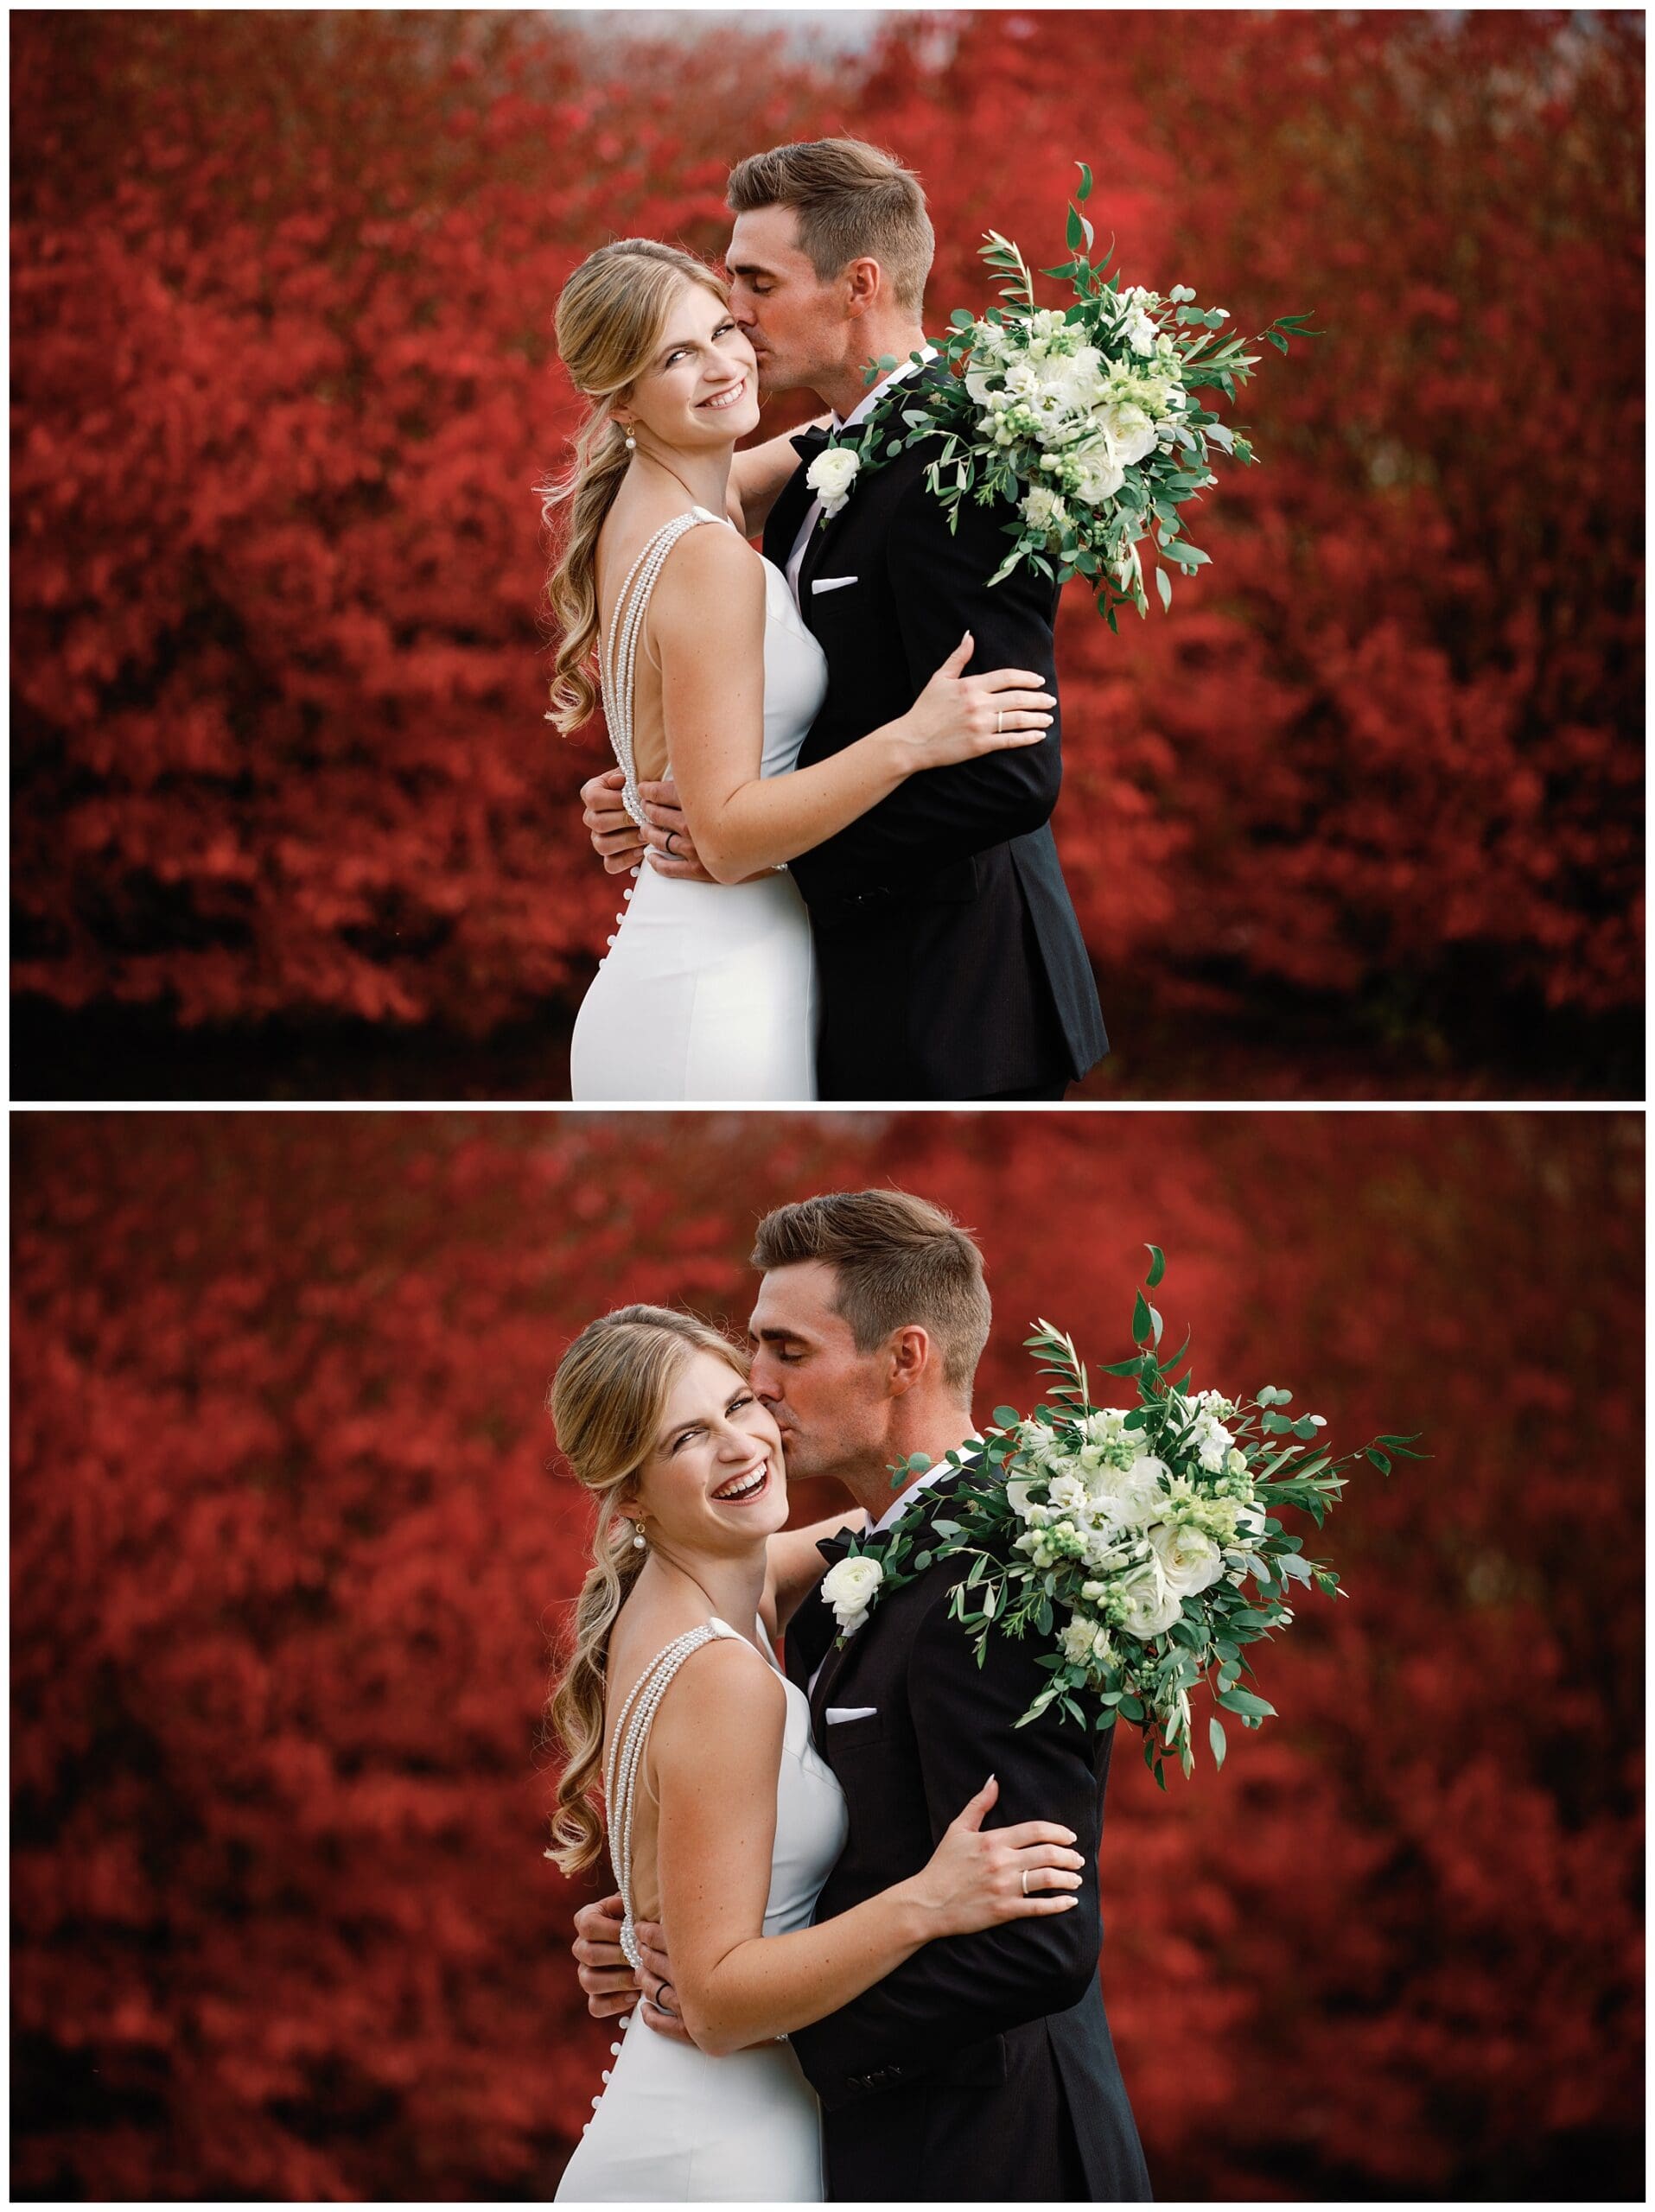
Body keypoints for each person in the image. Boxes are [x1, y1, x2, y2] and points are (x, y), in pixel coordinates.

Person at [565, 1193, 1151, 2204]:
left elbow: (1039, 1939)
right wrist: (664, 1928)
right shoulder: (837, 1571)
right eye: (749, 1354)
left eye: (782, 1355)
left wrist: (753, 2016)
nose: (759, 1387)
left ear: (904, 1358)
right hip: (830, 2141)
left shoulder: (1000, 1576)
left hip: (993, 2150)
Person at [578, 138, 1110, 1103]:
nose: (736, 312)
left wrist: (751, 842)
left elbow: (1012, 776)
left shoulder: (964, 471)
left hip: (952, 994)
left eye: (756, 282)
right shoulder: (815, 463)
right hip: (826, 977)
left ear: (858, 284)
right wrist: (668, 777)